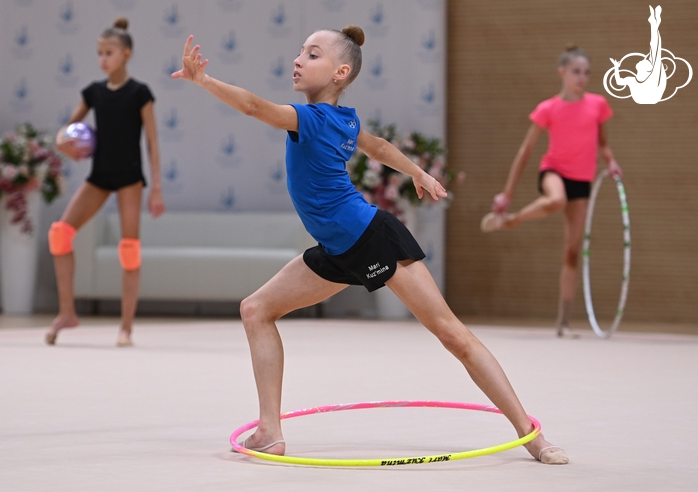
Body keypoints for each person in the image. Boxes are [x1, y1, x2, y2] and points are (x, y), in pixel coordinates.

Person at [172, 26, 568, 464]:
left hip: (372, 237)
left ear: (340, 72)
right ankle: (269, 430)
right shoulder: (344, 120)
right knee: (256, 310)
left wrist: (204, 81)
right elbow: (376, 146)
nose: (299, 60)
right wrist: (416, 172)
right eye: (300, 51)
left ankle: (531, 434)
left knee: (452, 335)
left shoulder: (315, 119)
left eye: (312, 53)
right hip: (338, 249)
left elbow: (252, 107)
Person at [480, 45, 622, 338]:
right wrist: (506, 194)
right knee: (557, 199)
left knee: (572, 252)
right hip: (554, 172)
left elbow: (603, 143)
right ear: (563, 72)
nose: (582, 78)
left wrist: (611, 161)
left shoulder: (598, 105)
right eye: (576, 72)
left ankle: (564, 322)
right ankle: (512, 219)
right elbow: (525, 151)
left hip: (582, 180)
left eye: (586, 73)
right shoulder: (548, 108)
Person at [46, 17, 164, 347]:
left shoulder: (140, 93)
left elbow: (152, 141)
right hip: (99, 176)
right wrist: (65, 144)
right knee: (59, 235)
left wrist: (155, 186)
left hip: (128, 178)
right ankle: (67, 312)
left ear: (126, 54)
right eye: (99, 53)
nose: (103, 59)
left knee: (129, 250)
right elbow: (66, 132)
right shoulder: (94, 93)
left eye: (109, 52)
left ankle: (125, 327)